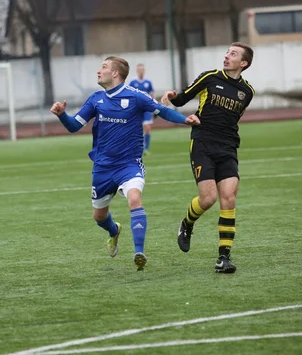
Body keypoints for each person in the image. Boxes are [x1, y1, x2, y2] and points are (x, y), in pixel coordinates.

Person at [50, 56, 200, 271]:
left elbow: (162, 110)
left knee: (135, 198)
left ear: (115, 73)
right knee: (99, 217)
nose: (98, 71)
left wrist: (185, 119)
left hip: (129, 165)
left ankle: (139, 251)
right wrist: (62, 115)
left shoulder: (136, 96)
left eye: (103, 67)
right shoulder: (95, 99)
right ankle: (114, 231)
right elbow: (74, 126)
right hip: (102, 167)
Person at [161, 42, 255, 274]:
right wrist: (172, 96)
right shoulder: (210, 77)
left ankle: (224, 258)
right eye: (226, 52)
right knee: (208, 199)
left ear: (243, 63)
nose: (226, 56)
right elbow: (183, 99)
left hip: (229, 146)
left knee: (229, 198)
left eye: (233, 54)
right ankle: (187, 223)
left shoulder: (248, 92)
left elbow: (233, 119)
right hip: (203, 142)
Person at [128, 64, 155, 155]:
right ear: (137, 71)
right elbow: (129, 94)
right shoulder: (132, 82)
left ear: (144, 71)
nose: (141, 71)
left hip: (146, 108)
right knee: (136, 129)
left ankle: (146, 149)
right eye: (139, 70)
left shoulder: (148, 82)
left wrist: (153, 105)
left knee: (147, 128)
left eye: (142, 70)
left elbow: (152, 94)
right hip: (136, 109)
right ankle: (136, 147)